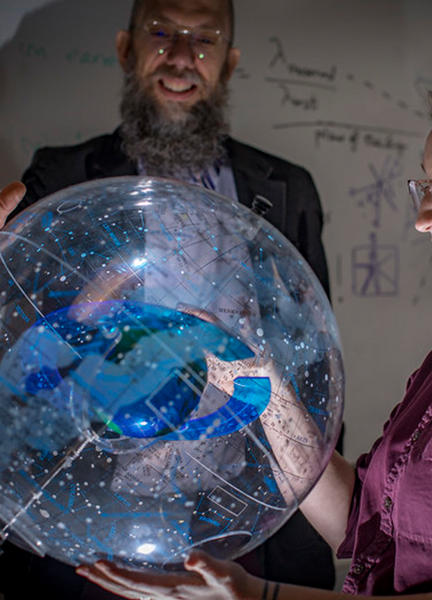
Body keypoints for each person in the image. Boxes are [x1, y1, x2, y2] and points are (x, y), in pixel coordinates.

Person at [75, 70, 432, 599]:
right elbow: (358, 520)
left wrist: (258, 596)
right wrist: (258, 383)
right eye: (425, 186)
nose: (423, 218)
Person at [0, 0, 338, 597]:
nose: (181, 57)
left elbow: (313, 359)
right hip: (99, 515)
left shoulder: (287, 190)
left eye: (203, 41)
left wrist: (325, 506)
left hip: (248, 512)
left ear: (227, 64)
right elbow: (22, 345)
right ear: (126, 50)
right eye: (161, 33)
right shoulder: (62, 176)